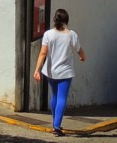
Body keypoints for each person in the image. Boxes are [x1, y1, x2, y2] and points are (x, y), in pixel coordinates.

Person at [33, 8, 86, 137]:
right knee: (62, 98)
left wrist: (37, 70)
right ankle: (56, 127)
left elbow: (43, 53)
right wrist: (82, 57)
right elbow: (79, 50)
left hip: (51, 72)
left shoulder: (48, 34)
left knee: (55, 96)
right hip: (65, 72)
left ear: (55, 20)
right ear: (66, 20)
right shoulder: (72, 35)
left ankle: (55, 123)